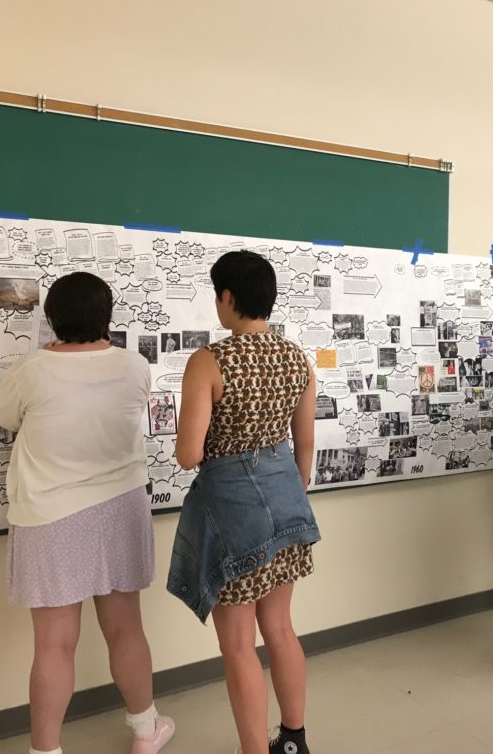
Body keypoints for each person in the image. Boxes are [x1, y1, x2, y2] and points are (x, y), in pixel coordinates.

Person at [0, 272, 175, 754]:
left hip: (51, 515)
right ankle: (145, 730)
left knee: (53, 644)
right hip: (120, 508)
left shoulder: (31, 370)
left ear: (52, 318)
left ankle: (46, 751)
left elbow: (5, 418)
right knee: (126, 629)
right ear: (106, 315)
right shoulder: (135, 366)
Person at [168, 250, 320, 754]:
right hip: (287, 502)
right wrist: (287, 497)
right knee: (280, 628)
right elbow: (305, 445)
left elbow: (189, 455)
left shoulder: (209, 361)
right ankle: (293, 741)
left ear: (228, 298)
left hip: (233, 514)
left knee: (238, 646)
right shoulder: (295, 356)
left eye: (218, 295)